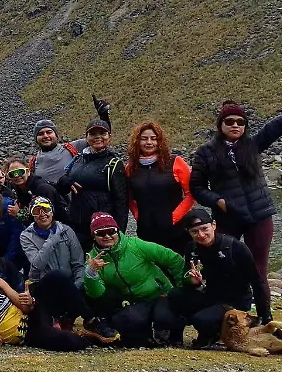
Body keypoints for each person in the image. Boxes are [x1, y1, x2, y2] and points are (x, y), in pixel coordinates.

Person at [189, 67, 282, 284]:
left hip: (260, 215)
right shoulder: (205, 153)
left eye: (240, 122)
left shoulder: (253, 145)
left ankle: (264, 316)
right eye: (230, 122)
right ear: (220, 125)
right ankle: (225, 311)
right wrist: (218, 202)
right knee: (223, 264)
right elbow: (196, 187)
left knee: (258, 270)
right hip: (228, 216)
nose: (235, 125)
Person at [17, 197, 119, 343]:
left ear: (52, 211)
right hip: (44, 288)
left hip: (70, 288)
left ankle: (78, 320)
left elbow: (78, 263)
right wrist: (52, 240)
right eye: (37, 211)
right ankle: (90, 320)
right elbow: (36, 264)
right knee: (56, 276)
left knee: (87, 281)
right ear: (32, 215)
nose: (42, 214)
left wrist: (76, 287)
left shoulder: (67, 231)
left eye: (45, 209)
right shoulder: (26, 236)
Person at [168, 209, 272, 348]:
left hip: (234, 301)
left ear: (214, 225)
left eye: (204, 229)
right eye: (195, 232)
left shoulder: (236, 248)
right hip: (210, 295)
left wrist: (265, 320)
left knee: (200, 320)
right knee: (175, 295)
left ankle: (211, 334)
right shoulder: (191, 248)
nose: (201, 235)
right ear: (189, 233)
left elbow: (258, 283)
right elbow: (188, 281)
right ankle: (175, 337)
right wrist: (193, 282)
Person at [83, 212, 185, 347]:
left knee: (164, 317)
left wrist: (179, 289)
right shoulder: (93, 259)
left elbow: (173, 259)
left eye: (111, 231)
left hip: (160, 294)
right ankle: (148, 335)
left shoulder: (136, 245)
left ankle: (173, 335)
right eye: (101, 233)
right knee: (123, 321)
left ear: (117, 231)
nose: (107, 236)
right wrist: (91, 273)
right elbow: (96, 294)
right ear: (94, 237)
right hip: (136, 302)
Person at [0, 256, 90, 352]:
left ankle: (90, 320)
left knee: (56, 277)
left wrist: (31, 301)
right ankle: (91, 338)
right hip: (29, 333)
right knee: (73, 342)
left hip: (33, 313)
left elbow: (24, 307)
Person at [57, 119, 128, 253]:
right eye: (93, 133)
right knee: (80, 267)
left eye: (103, 133)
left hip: (101, 229)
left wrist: (119, 235)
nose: (98, 137)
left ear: (109, 137)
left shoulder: (113, 164)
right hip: (77, 225)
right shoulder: (77, 159)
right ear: (86, 137)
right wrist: (64, 181)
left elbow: (122, 202)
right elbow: (61, 189)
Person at [125, 121, 195, 254]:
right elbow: (129, 198)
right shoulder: (130, 168)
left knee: (178, 267)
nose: (149, 142)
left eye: (154, 138)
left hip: (176, 230)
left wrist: (174, 217)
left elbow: (190, 194)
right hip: (146, 231)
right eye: (144, 139)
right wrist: (138, 216)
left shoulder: (176, 162)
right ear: (137, 142)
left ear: (160, 141)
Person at [29, 95, 111, 187]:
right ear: (36, 139)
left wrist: (104, 116)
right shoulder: (33, 162)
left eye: (49, 132)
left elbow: (100, 140)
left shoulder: (73, 147)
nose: (45, 136)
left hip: (77, 200)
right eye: (40, 134)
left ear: (56, 135)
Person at [3, 157, 66, 224]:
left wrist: (19, 214)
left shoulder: (42, 189)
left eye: (20, 172)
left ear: (28, 172)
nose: (17, 176)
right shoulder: (17, 187)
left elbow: (46, 217)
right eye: (12, 174)